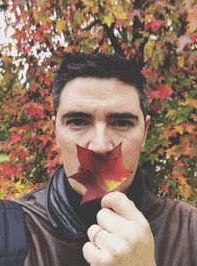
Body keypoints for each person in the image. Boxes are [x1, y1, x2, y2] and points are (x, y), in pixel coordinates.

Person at [18, 53, 197, 266]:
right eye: (77, 121)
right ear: (55, 131)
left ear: (145, 132)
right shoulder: (9, 233)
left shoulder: (189, 231)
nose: (100, 146)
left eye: (121, 123)